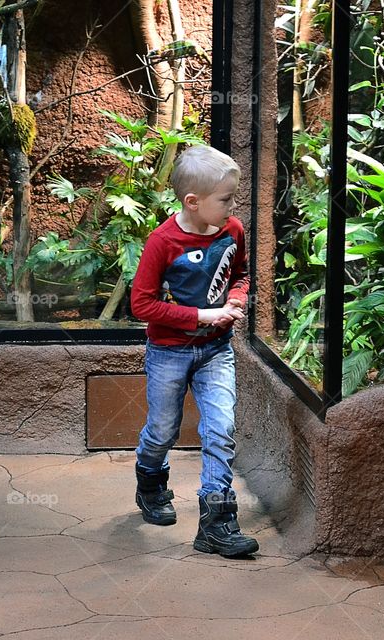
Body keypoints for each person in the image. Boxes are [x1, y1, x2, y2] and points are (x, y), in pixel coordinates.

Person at [129, 144, 259, 558]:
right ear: (193, 201)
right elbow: (142, 306)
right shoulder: (162, 242)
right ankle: (151, 483)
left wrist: (237, 298)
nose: (232, 206)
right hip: (168, 351)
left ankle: (216, 522)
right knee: (163, 430)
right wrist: (204, 315)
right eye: (225, 199)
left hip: (216, 351)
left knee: (220, 429)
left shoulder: (232, 231)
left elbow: (240, 274)